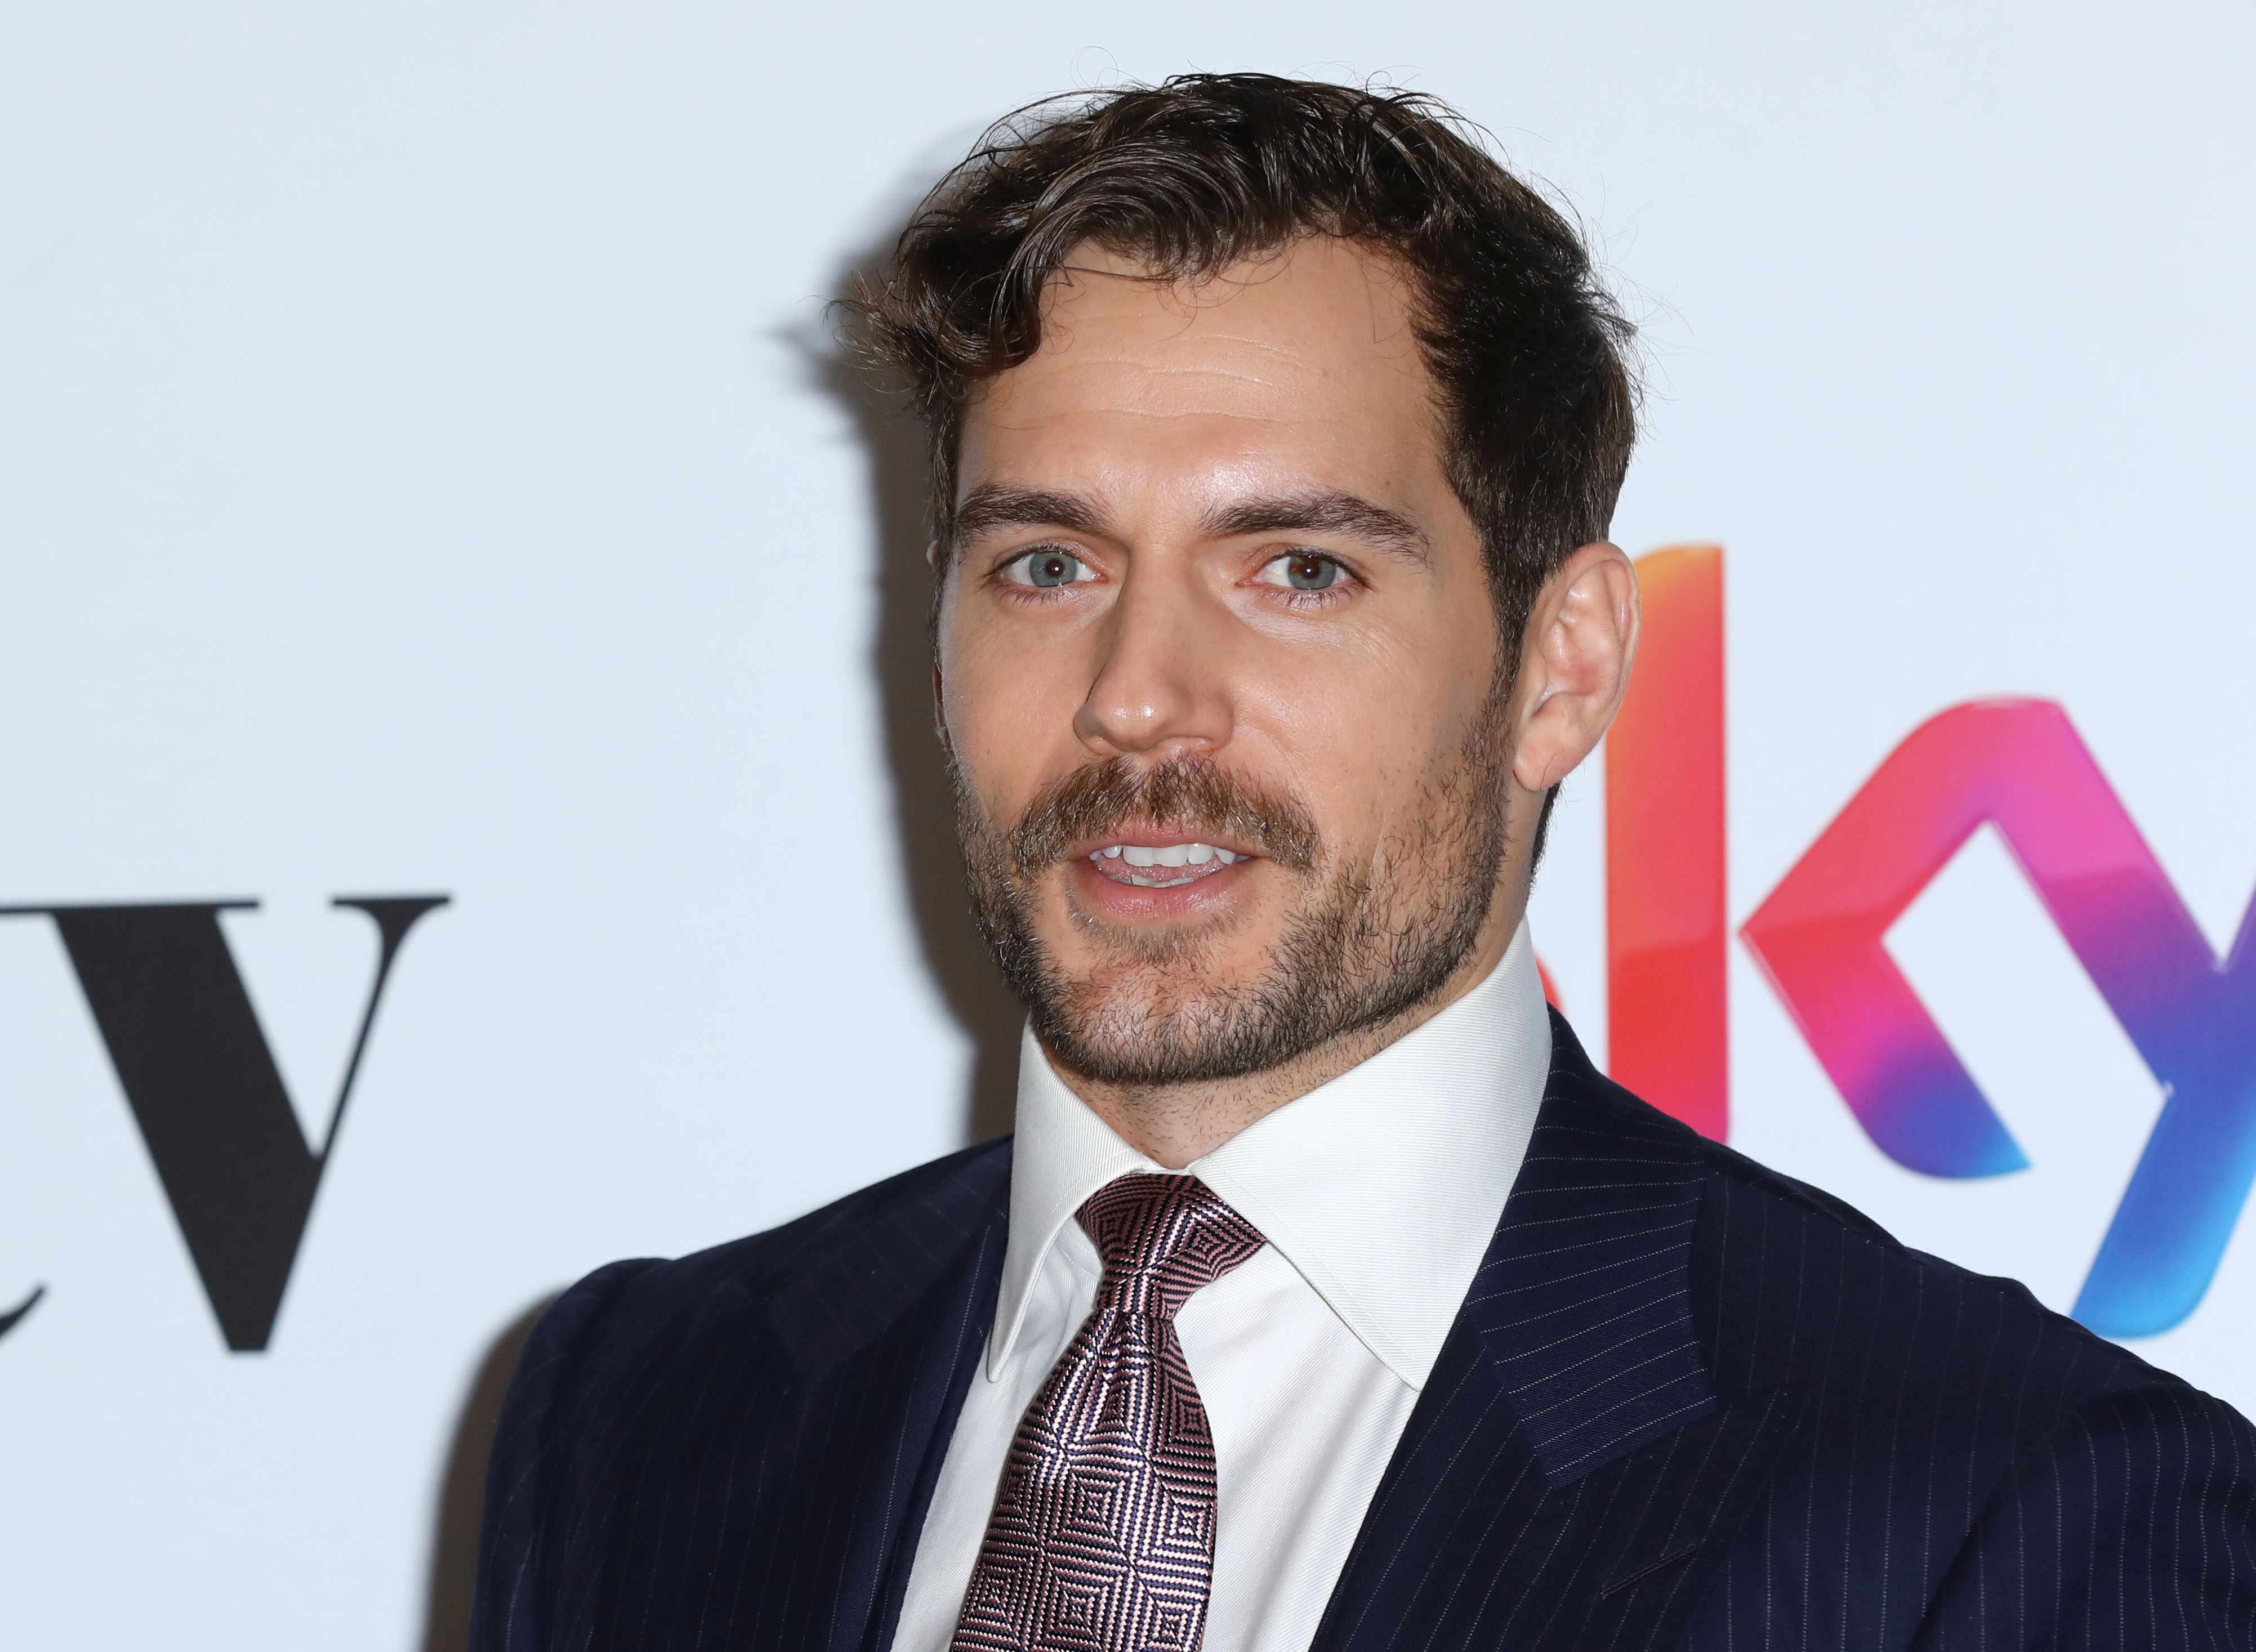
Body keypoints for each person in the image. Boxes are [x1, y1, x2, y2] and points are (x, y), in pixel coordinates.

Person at [470, 74, 2255, 1651]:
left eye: (1299, 571)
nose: (1136, 699)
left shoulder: (2002, 1504)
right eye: (1047, 566)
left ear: (1561, 668)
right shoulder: (644, 1409)